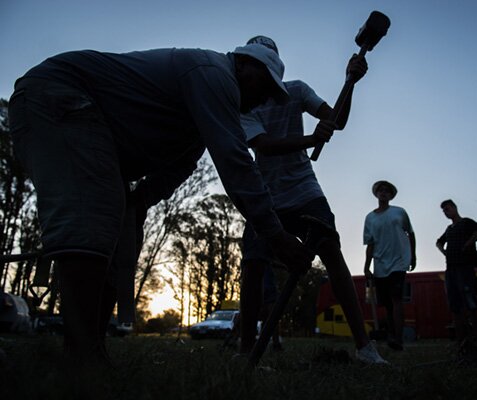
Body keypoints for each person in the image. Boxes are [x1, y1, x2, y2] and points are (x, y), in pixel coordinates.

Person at [8, 43, 314, 366]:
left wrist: (139, 202)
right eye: (263, 85)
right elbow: (235, 161)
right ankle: (82, 354)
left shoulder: (202, 112)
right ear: (243, 64)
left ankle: (90, 347)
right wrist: (276, 235)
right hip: (57, 96)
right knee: (94, 216)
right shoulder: (212, 74)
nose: (264, 99)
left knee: (120, 226)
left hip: (85, 120)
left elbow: (179, 167)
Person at [238, 36, 387, 364]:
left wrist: (352, 81)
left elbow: (337, 119)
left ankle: (364, 347)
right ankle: (246, 350)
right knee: (253, 263)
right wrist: (309, 139)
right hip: (266, 196)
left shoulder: (297, 91)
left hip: (305, 191)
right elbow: (262, 145)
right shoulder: (244, 104)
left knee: (332, 253)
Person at [363, 180, 416, 351]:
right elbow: (370, 244)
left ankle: (398, 338)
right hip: (380, 264)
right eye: (380, 190)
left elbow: (411, 233)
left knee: (396, 298)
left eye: (387, 191)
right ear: (376, 194)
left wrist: (413, 256)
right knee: (387, 303)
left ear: (391, 195)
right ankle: (392, 335)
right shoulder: (370, 218)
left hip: (399, 261)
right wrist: (366, 266)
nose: (383, 193)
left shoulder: (399, 212)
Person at [436, 199, 477, 356]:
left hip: (465, 268)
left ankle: (476, 341)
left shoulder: (466, 223)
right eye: (444, 210)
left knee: (470, 302)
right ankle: (461, 342)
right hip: (450, 268)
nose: (446, 211)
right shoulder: (449, 229)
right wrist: (444, 252)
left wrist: (468, 244)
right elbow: (438, 242)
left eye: (448, 208)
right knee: (455, 305)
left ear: (455, 208)